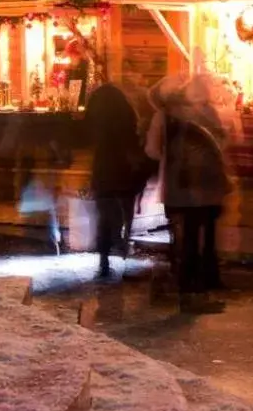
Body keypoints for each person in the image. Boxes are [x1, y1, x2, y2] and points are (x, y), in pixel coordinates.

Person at [147, 73, 234, 312]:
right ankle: (194, 295)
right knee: (196, 241)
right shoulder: (201, 114)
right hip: (203, 187)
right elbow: (221, 142)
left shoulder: (162, 117)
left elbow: (152, 150)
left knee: (185, 242)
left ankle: (188, 293)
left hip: (177, 188)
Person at [84, 74, 154, 278]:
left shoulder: (97, 122)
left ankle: (104, 257)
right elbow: (133, 144)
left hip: (103, 172)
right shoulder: (126, 117)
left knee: (104, 216)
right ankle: (123, 242)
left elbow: (87, 138)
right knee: (125, 209)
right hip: (123, 172)